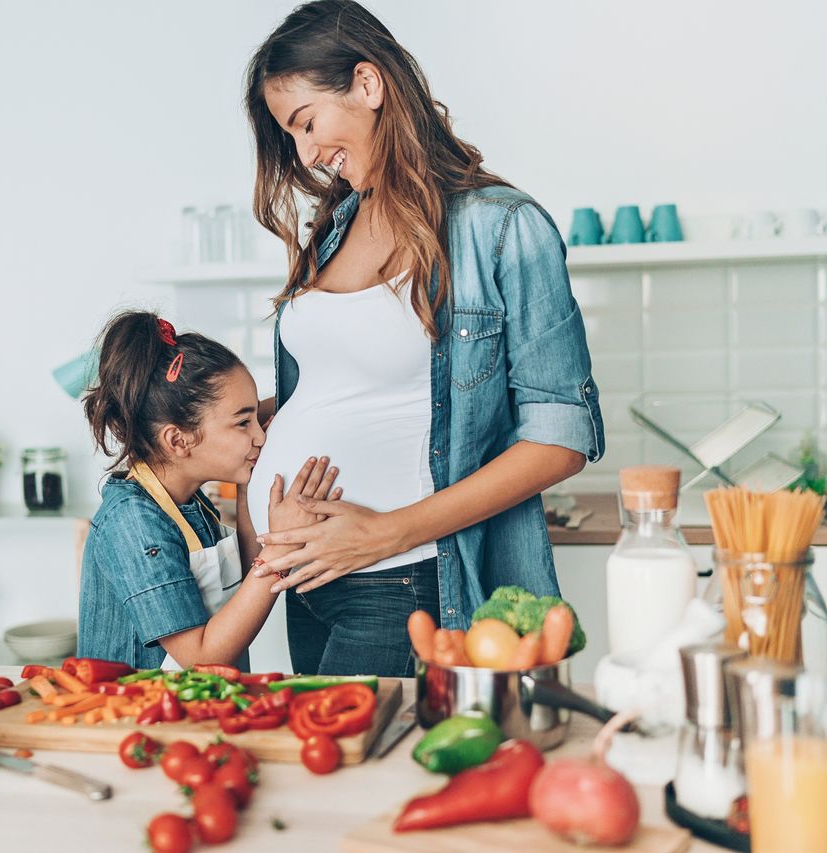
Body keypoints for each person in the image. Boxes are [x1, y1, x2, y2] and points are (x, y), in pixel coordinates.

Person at [242, 0, 605, 677]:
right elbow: (356, 386)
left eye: (307, 123)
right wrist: (238, 423)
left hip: (402, 581)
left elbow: (561, 438)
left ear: (369, 85)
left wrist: (382, 532)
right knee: (331, 781)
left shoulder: (503, 227)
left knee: (372, 780)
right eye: (290, 135)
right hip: (308, 582)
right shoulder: (338, 225)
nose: (306, 154)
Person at [76, 310, 339, 669]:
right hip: (137, 717)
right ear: (178, 440)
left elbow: (248, 575)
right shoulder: (134, 522)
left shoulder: (191, 502)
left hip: (191, 713)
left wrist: (250, 483)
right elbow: (201, 657)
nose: (259, 435)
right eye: (243, 422)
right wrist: (282, 552)